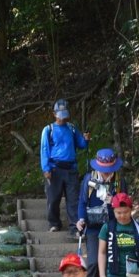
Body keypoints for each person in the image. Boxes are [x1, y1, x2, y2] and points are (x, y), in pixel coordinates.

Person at [40, 99, 90, 236]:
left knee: (73, 199)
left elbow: (81, 144)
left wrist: (85, 139)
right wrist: (46, 168)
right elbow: (44, 150)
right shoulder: (48, 130)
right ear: (54, 114)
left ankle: (75, 227)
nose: (62, 118)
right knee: (53, 198)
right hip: (54, 168)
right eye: (59, 114)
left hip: (71, 168)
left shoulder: (72, 128)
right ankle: (54, 223)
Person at [76, 148, 126, 275]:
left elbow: (125, 205)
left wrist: (114, 201)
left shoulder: (119, 182)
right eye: (103, 171)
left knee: (112, 262)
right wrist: (81, 219)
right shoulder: (89, 180)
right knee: (93, 263)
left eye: (109, 171)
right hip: (93, 227)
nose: (106, 174)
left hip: (112, 225)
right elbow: (82, 202)